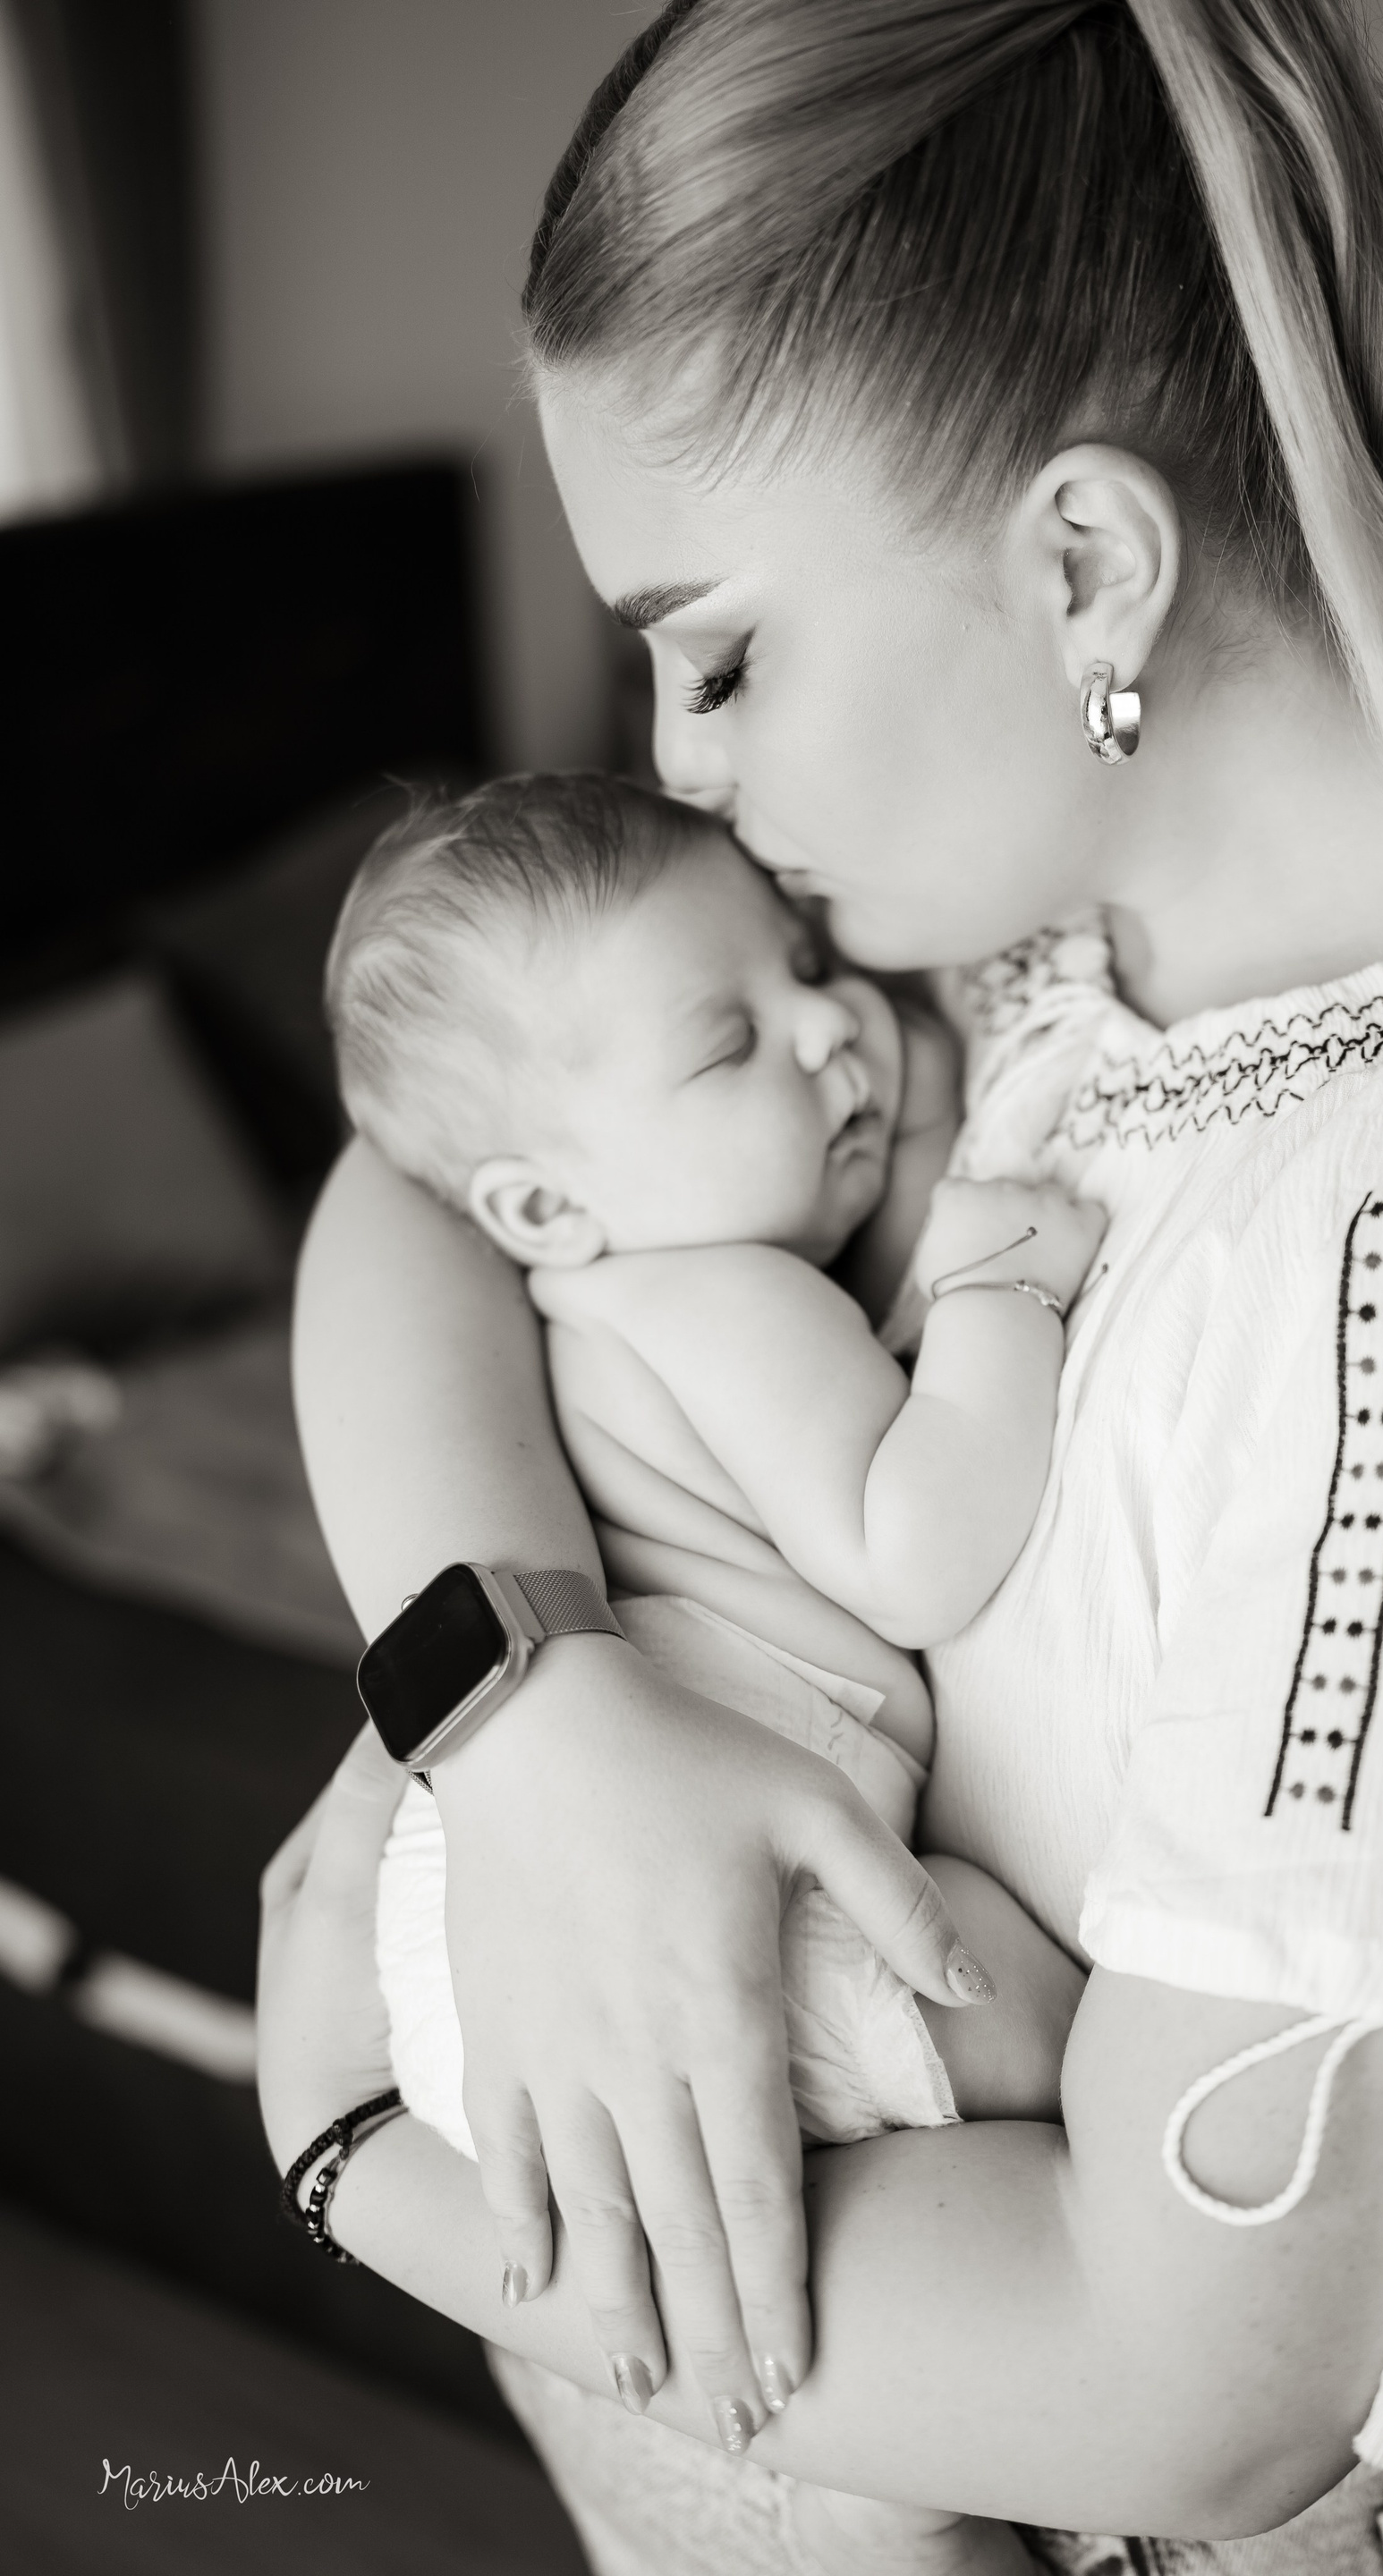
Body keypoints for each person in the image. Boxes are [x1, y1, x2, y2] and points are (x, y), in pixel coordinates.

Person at [264, 4, 1383, 2571]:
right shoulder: (1047, 963)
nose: (676, 759)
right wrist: (527, 1710)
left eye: (720, 649)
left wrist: (362, 2143)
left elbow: (1194, 2393)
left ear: (1083, 569)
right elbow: (427, 1183)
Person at [328, 766, 1098, 2572]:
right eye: (731, 1040)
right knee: (1046, 2024)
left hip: (497, 1916)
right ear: (542, 1205)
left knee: (791, 2225)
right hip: (719, 1907)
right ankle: (889, 2488)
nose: (834, 1026)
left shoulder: (593, 1304)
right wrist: (1002, 1290)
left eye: (806, 965)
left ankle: (875, 2500)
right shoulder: (720, 1295)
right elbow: (918, 1539)